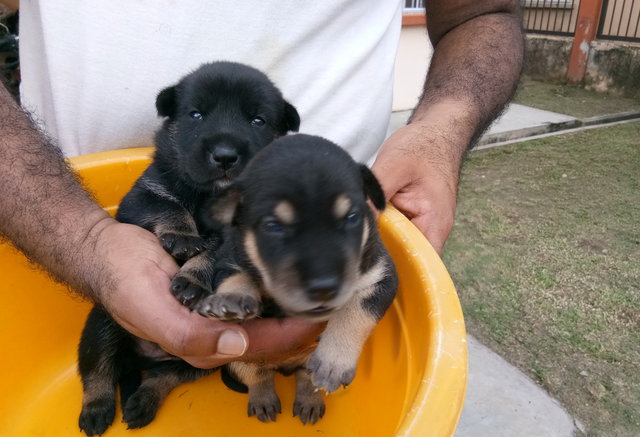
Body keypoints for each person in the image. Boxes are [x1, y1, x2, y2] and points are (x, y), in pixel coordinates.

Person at [0, 1, 524, 369]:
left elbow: (484, 11)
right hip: (52, 236)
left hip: (334, 259)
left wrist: (437, 133)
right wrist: (83, 237)